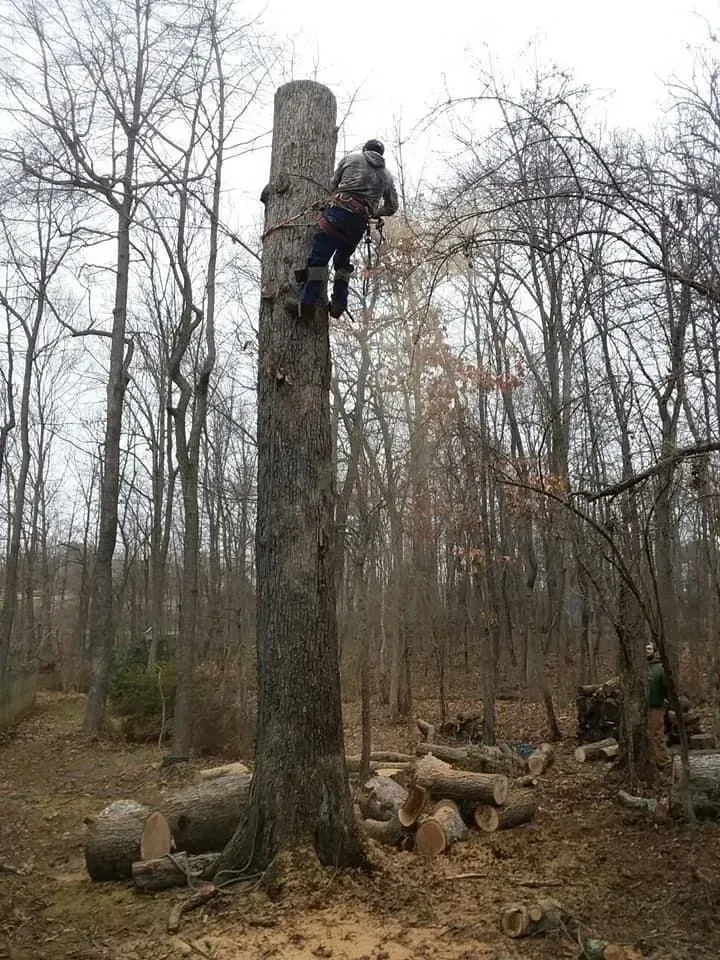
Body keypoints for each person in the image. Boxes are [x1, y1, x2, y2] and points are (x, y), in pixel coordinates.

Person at [286, 139, 399, 319]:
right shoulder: (386, 175)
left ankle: (306, 306)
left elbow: (333, 184)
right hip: (358, 225)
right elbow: (392, 206)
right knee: (342, 264)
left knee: (319, 260)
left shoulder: (352, 159)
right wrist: (372, 212)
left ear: (364, 149)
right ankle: (339, 304)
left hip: (337, 214)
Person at [646, 642, 670, 768]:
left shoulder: (660, 667)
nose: (647, 651)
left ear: (654, 651)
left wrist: (666, 699)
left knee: (657, 733)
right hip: (643, 706)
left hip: (656, 705)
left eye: (649, 648)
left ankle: (663, 760)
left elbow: (667, 686)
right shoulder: (642, 667)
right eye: (645, 649)